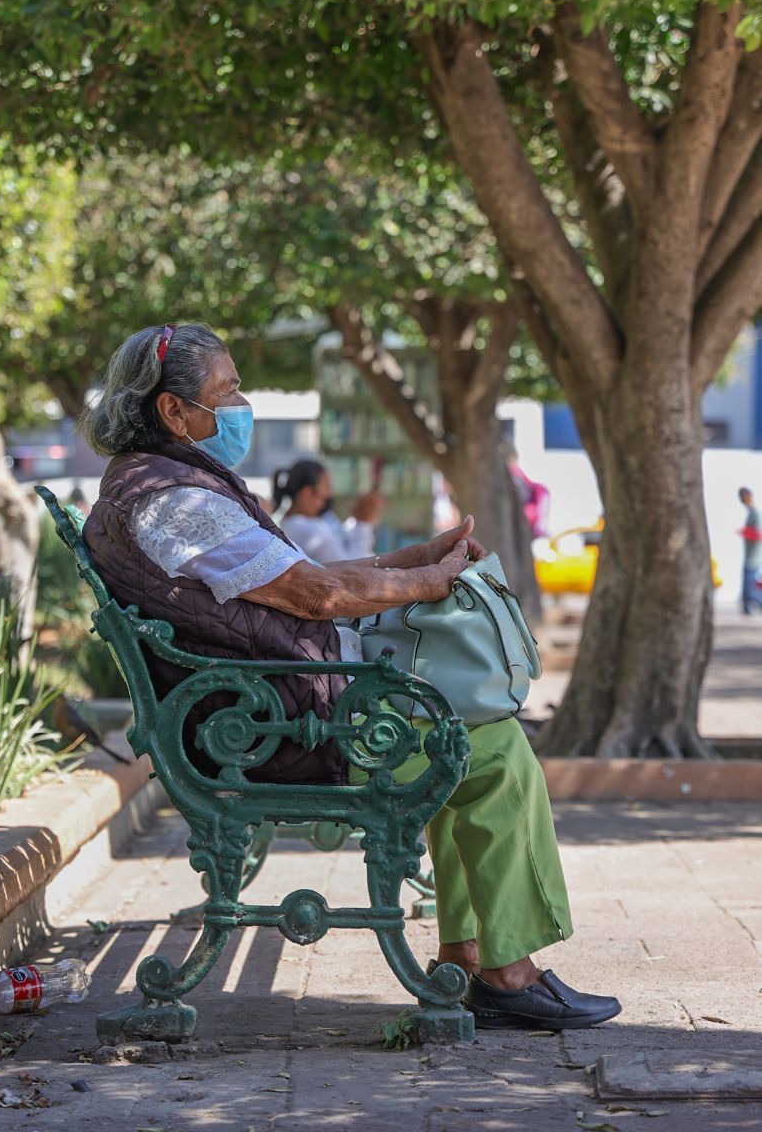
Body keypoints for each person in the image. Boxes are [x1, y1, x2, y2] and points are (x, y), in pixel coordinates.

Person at [78, 323, 621, 1031]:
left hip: (265, 715)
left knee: (470, 744)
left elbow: (309, 578)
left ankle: (467, 958)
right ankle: (509, 973)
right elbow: (317, 598)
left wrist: (415, 559)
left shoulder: (161, 486)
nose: (239, 406)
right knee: (494, 753)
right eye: (226, 394)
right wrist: (427, 584)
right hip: (278, 732)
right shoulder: (174, 503)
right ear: (172, 412)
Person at [272, 459, 383, 563]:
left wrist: (359, 517)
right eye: (326, 487)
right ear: (308, 493)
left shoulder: (302, 522)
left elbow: (340, 539)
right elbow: (352, 565)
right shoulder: (310, 531)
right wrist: (363, 524)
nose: (330, 494)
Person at [738, 487, 762, 616]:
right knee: (749, 583)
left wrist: (746, 533)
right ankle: (746, 607)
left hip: (753, 555)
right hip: (750, 554)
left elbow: (758, 534)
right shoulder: (751, 512)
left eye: (743, 496)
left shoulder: (755, 513)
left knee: (751, 584)